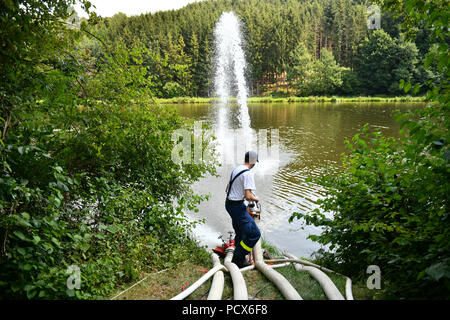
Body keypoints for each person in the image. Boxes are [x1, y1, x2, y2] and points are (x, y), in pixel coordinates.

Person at [225, 150, 261, 268]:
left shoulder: (237, 169)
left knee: (240, 232)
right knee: (254, 234)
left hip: (229, 204)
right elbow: (248, 196)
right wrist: (256, 198)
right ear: (254, 161)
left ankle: (237, 256)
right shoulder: (248, 173)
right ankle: (238, 258)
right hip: (237, 207)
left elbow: (228, 187)